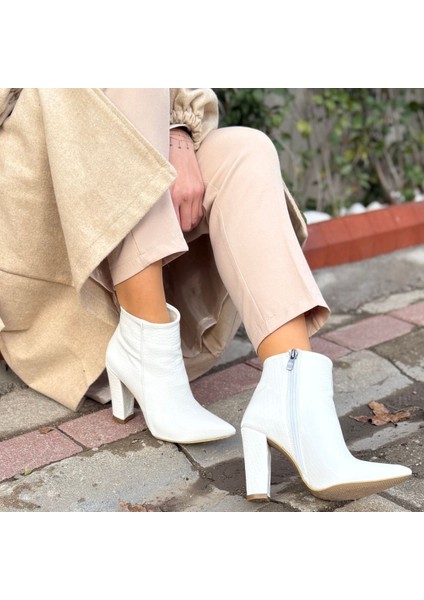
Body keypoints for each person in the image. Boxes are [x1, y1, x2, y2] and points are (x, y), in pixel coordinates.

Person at [0, 88, 411, 503]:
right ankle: (145, 334)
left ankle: (294, 405)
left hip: (146, 251)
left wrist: (176, 133)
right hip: (51, 234)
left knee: (247, 149)